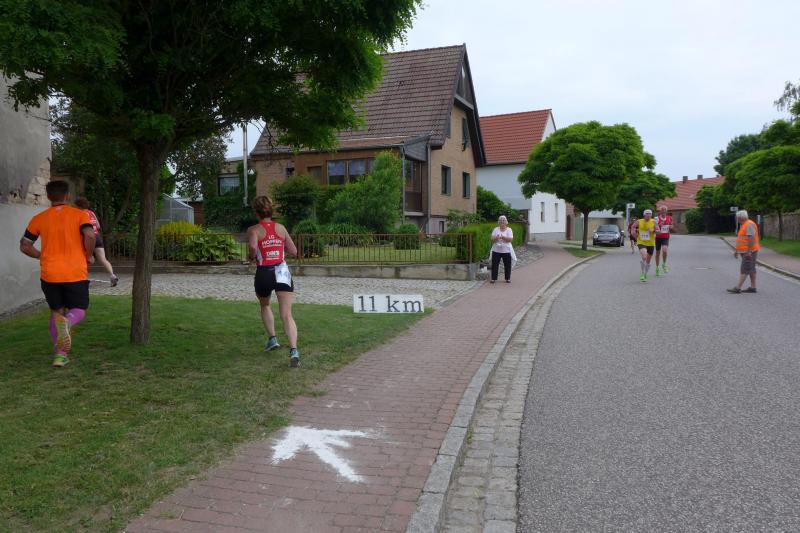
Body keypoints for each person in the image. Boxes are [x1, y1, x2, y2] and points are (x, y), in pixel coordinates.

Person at [19, 180, 96, 367]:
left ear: (48, 196)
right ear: (67, 195)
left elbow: (25, 245)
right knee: (79, 309)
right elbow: (90, 235)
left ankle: (60, 356)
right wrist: (88, 255)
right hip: (74, 272)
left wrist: (42, 255)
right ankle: (68, 323)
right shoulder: (80, 215)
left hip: (50, 274)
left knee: (56, 313)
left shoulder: (39, 218)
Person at [247, 196, 301, 367]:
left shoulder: (254, 230)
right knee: (287, 314)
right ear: (271, 210)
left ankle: (272, 339)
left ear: (256, 212)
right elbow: (294, 250)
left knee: (265, 305)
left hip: (264, 272)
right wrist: (278, 248)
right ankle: (294, 350)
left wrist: (251, 255)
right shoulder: (281, 228)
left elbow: (253, 247)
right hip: (282, 271)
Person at [74, 197, 119, 287]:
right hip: (97, 237)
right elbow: (98, 226)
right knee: (103, 259)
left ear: (78, 206)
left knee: (84, 259)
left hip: (87, 238)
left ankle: (82, 279)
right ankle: (112, 275)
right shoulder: (91, 213)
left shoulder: (79, 214)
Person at [727, 210, 760, 294]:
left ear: (740, 217)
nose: (736, 219)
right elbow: (741, 239)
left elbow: (751, 239)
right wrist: (737, 251)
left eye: (737, 217)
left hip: (749, 252)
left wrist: (749, 252)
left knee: (745, 268)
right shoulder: (744, 224)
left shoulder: (749, 224)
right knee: (751, 269)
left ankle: (738, 288)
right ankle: (753, 287)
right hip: (746, 251)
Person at [632, 209, 657, 282]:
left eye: (650, 214)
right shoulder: (639, 221)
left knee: (648, 261)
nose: (648, 215)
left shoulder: (654, 222)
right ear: (644, 215)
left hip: (651, 243)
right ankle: (642, 273)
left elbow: (659, 231)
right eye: (647, 214)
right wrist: (634, 233)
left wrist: (653, 230)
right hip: (641, 241)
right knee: (644, 256)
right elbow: (633, 227)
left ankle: (645, 274)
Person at [490, 215, 514, 284]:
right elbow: (492, 239)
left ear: (506, 222)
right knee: (495, 265)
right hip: (496, 250)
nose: (502, 222)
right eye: (500, 220)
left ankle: (508, 278)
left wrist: (503, 237)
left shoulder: (509, 229)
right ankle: (493, 278)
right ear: (499, 222)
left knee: (507, 265)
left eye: (503, 220)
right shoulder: (495, 229)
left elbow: (510, 239)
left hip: (506, 250)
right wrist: (496, 238)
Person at [654, 205, 673, 276]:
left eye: (665, 210)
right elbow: (654, 228)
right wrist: (659, 225)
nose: (663, 211)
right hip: (658, 237)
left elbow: (672, 226)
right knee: (657, 253)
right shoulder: (656, 218)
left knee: (665, 250)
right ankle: (657, 268)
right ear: (660, 211)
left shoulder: (669, 218)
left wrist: (671, 227)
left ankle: (664, 264)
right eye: (662, 209)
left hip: (665, 237)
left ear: (666, 211)